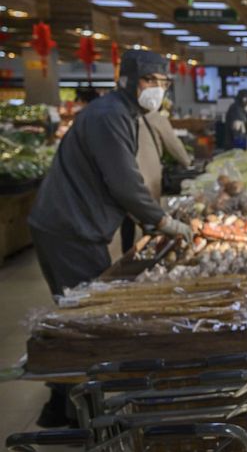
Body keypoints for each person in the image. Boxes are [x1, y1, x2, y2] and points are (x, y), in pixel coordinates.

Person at [27, 49, 193, 427]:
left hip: (74, 224)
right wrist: (163, 221)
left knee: (79, 312)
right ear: (132, 82)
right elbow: (123, 182)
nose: (158, 89)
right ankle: (73, 411)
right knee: (89, 318)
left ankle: (65, 402)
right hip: (70, 227)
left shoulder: (123, 112)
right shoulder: (108, 116)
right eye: (153, 82)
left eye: (163, 83)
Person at [120, 108, 193, 253]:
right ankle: (149, 255)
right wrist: (187, 162)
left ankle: (128, 256)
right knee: (151, 220)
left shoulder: (122, 116)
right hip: (147, 176)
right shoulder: (155, 118)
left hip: (126, 175)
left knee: (127, 219)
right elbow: (174, 146)